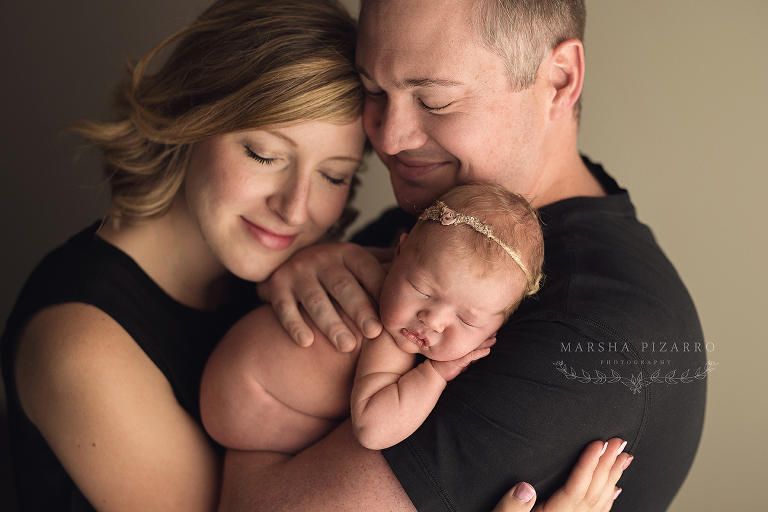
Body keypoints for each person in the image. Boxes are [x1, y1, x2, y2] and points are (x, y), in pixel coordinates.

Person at [0, 0, 627, 511]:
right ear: (193, 114)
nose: (295, 210)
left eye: (333, 175)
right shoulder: (80, 345)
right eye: (264, 155)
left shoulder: (292, 269)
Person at [250, 0, 707, 511]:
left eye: (436, 100)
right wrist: (284, 273)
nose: (387, 136)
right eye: (374, 90)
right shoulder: (443, 219)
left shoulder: (590, 334)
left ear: (558, 79)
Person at [200, 183, 544, 453]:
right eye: (422, 290)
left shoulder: (393, 273)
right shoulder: (388, 336)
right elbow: (372, 430)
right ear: (399, 251)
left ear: (498, 326)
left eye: (467, 320)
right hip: (245, 405)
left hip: (233, 372)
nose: (432, 320)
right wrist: (436, 374)